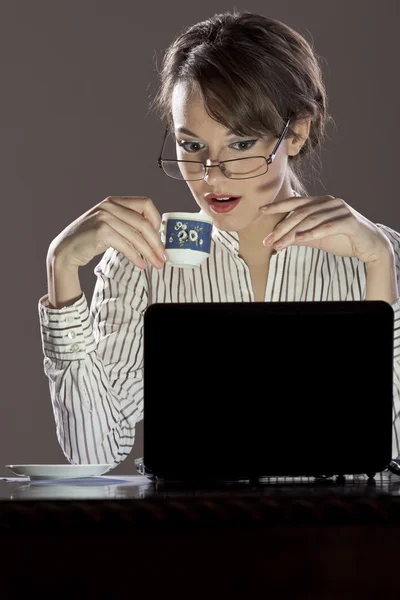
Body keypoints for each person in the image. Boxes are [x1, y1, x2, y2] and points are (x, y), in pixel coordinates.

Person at [38, 9, 400, 467]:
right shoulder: (142, 261)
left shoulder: (384, 256)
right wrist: (62, 273)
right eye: (192, 146)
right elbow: (95, 453)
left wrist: (380, 268)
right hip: (196, 534)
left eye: (242, 144)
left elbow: (391, 456)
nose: (213, 175)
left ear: (297, 132)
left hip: (341, 536)